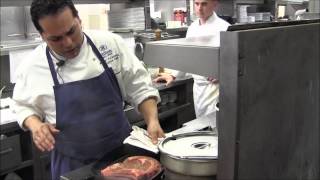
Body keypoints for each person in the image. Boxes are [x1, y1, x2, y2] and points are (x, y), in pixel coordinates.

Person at [12, 0, 164, 179]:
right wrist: (35, 125)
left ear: (78, 19)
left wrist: (152, 120)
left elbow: (139, 86)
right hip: (71, 164)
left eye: (71, 31)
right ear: (42, 35)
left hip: (121, 154)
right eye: (56, 38)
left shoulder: (109, 43)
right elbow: (23, 106)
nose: (68, 43)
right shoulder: (32, 66)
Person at [153, 0, 230, 118]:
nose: (199, 8)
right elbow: (187, 57)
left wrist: (223, 73)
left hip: (216, 89)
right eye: (197, 4)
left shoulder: (225, 28)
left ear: (215, 4)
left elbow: (233, 60)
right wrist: (173, 75)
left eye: (204, 4)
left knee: (216, 126)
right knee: (201, 125)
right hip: (198, 89)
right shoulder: (193, 28)